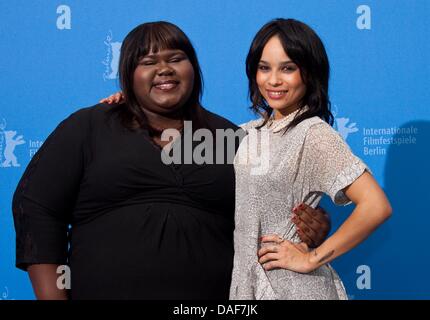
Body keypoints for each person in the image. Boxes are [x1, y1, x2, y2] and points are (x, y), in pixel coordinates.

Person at [12, 21, 329, 300]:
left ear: (194, 68)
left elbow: (272, 213)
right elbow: (37, 207)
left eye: (176, 59)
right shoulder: (90, 126)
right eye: (148, 62)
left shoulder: (233, 139)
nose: (164, 69)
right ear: (128, 75)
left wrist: (309, 229)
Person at [228, 18, 392, 300]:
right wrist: (127, 107)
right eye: (264, 68)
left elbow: (376, 206)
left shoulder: (312, 133)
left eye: (288, 68)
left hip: (294, 289)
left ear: (310, 73)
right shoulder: (244, 132)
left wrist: (312, 258)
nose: (274, 80)